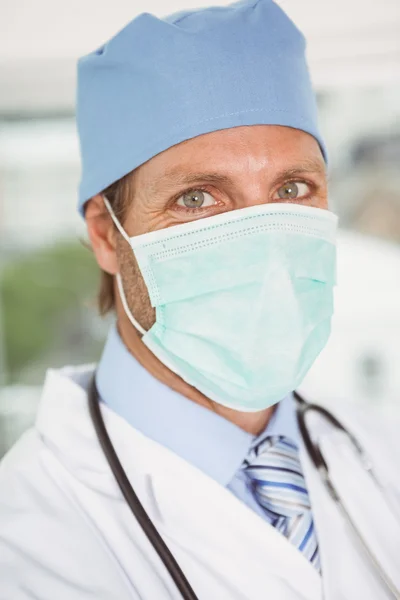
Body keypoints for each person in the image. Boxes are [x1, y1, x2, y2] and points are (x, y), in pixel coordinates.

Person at [0, 1, 399, 599]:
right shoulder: (27, 538)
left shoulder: (380, 447)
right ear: (108, 237)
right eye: (197, 198)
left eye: (293, 189)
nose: (265, 241)